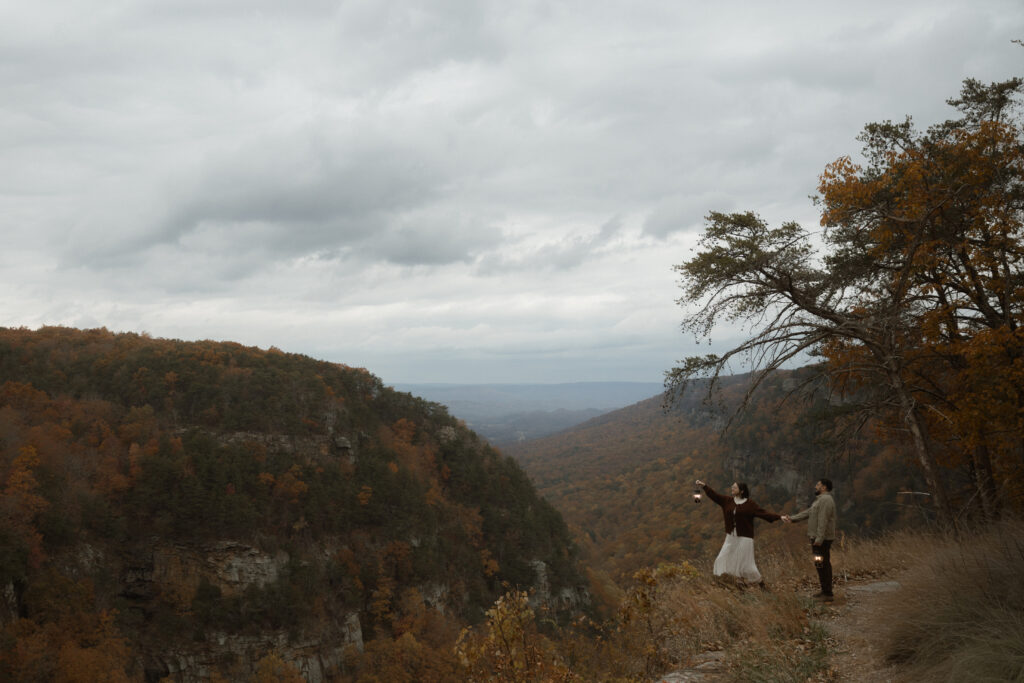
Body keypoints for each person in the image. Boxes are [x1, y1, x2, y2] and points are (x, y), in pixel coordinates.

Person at [695, 479, 781, 587]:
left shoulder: (750, 504)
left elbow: (764, 513)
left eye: (734, 487)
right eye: (732, 486)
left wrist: (779, 517)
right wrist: (704, 486)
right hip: (731, 536)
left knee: (746, 564)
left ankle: (759, 584)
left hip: (745, 537)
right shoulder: (727, 501)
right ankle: (739, 583)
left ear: (742, 491)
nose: (732, 488)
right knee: (721, 558)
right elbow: (714, 495)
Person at [783, 478, 837, 601]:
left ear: (824, 487)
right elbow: (808, 512)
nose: (815, 487)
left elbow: (823, 520)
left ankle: (827, 593)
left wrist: (819, 538)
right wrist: (792, 518)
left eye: (818, 485)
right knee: (820, 564)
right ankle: (825, 590)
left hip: (821, 539)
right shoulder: (820, 500)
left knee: (823, 564)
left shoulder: (826, 500)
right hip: (818, 537)